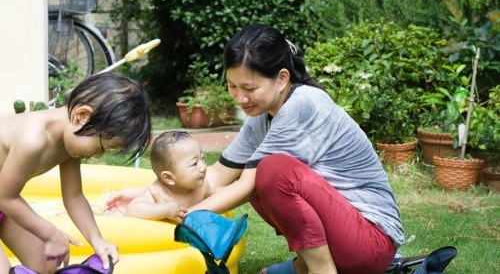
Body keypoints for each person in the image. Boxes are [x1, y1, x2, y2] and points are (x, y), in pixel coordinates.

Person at [107, 24, 404, 274]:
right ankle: (304, 264)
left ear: (282, 78)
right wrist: (154, 193)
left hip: (371, 240)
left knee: (273, 172)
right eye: (232, 86)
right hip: (346, 231)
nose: (240, 98)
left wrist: (182, 215)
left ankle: (320, 269)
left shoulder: (302, 105)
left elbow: (246, 187)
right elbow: (216, 177)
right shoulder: (262, 115)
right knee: (266, 172)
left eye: (249, 88)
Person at [0, 72, 151, 274]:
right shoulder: (32, 138)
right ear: (82, 116)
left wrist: (96, 239)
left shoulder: (69, 144)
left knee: (47, 264)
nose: (97, 156)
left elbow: (74, 196)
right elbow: (6, 197)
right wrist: (51, 233)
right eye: (102, 147)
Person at [104, 131, 212, 222]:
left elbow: (217, 198)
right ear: (168, 178)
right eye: (194, 164)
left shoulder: (202, 187)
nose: (203, 167)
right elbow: (132, 210)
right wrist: (164, 210)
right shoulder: (156, 193)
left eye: (202, 158)